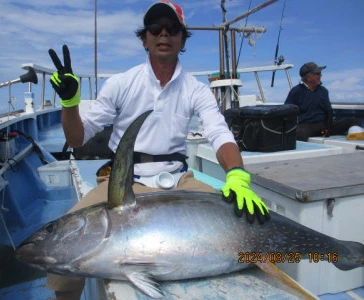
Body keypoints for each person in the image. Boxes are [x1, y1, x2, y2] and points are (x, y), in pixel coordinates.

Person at [47, 1, 270, 299]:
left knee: (249, 225)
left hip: (178, 180)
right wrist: (70, 103)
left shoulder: (196, 89)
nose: (163, 34)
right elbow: (77, 138)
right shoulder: (121, 83)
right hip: (121, 182)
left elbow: (219, 132)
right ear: (145, 38)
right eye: (155, 28)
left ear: (182, 38)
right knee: (61, 254)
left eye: (172, 28)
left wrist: (238, 175)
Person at [285, 62, 363, 141]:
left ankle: (355, 137)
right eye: (317, 74)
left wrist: (327, 129)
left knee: (353, 121)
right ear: (308, 77)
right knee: (300, 132)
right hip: (306, 125)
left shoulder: (323, 91)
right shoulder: (296, 91)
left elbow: (329, 111)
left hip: (324, 125)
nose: (320, 76)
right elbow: (287, 111)